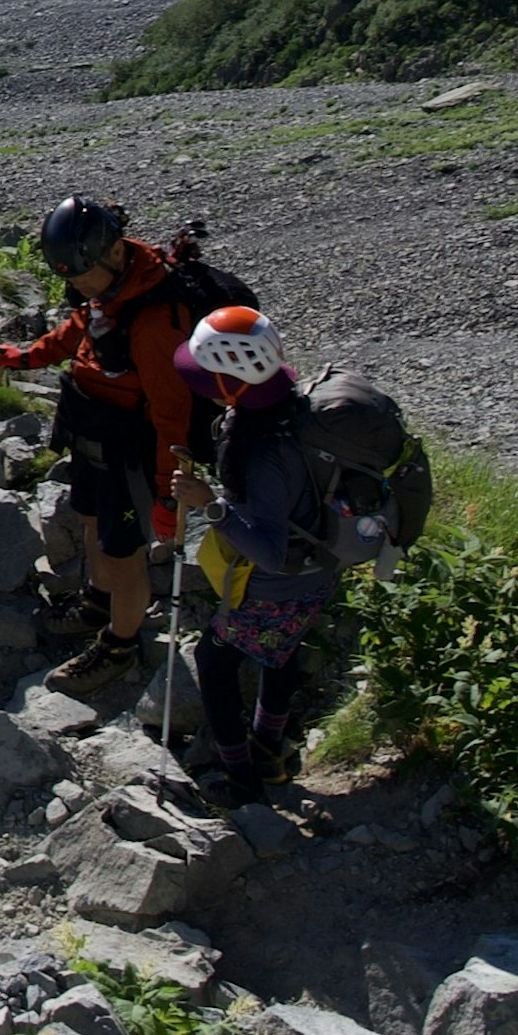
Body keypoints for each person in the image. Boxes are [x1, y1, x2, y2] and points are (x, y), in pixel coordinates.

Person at [0, 196, 206, 689]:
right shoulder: (109, 290)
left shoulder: (154, 319)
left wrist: (169, 493)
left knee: (123, 551)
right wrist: (23, 358)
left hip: (129, 448)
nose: (78, 288)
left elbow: (172, 415)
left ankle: (119, 645)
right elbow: (77, 333)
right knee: (90, 520)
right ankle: (97, 599)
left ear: (113, 253)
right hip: (91, 429)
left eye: (84, 277)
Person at [171, 302, 329, 783]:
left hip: (277, 585)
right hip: (318, 573)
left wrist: (208, 505)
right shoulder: (294, 411)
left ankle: (241, 776)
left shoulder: (264, 454)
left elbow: (268, 551)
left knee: (213, 661)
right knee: (280, 651)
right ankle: (269, 745)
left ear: (231, 382)